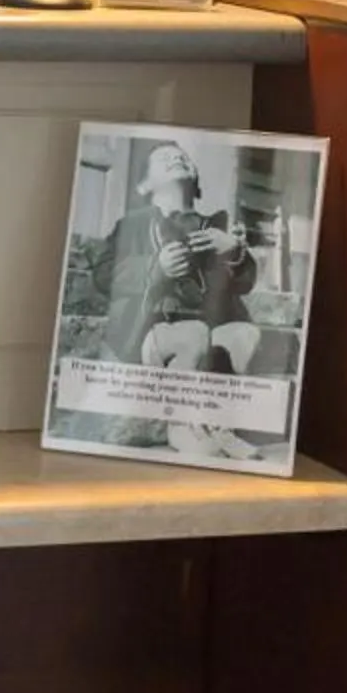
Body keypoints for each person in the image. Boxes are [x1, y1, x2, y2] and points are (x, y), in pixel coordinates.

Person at [78, 141, 266, 460]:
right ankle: (180, 424)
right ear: (145, 185)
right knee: (193, 333)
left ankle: (220, 426)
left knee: (244, 335)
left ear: (196, 179)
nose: (176, 157)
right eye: (164, 158)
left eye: (182, 157)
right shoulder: (133, 224)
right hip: (153, 328)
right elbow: (103, 274)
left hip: (208, 326)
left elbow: (245, 284)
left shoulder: (215, 225)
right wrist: (155, 268)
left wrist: (234, 252)